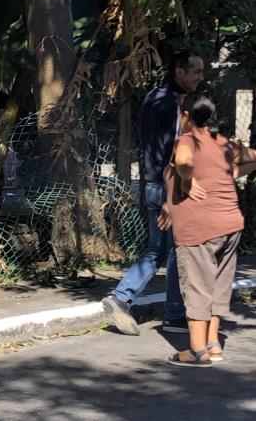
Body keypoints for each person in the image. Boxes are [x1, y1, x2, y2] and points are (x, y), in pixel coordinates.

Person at [102, 51, 204, 335]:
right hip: (169, 184)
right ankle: (175, 314)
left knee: (157, 249)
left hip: (151, 183)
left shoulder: (152, 98)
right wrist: (178, 190)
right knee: (177, 251)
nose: (200, 77)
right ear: (179, 72)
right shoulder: (177, 106)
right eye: (195, 71)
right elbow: (176, 152)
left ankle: (120, 297)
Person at [163, 93, 256, 366]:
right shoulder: (222, 143)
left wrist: (187, 181)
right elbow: (250, 157)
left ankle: (196, 350)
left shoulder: (188, 140)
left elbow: (183, 161)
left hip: (198, 228)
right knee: (218, 285)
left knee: (196, 286)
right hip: (230, 225)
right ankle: (214, 344)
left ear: (185, 116)